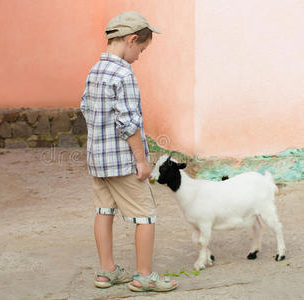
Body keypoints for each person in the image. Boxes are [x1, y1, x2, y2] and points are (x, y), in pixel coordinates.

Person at [80, 11, 178, 292]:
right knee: (146, 215)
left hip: (98, 160)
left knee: (103, 211)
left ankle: (106, 271)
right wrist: (141, 161)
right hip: (124, 162)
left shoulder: (95, 70)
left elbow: (86, 109)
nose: (140, 56)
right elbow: (129, 122)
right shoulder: (124, 74)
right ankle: (144, 276)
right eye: (142, 50)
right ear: (132, 40)